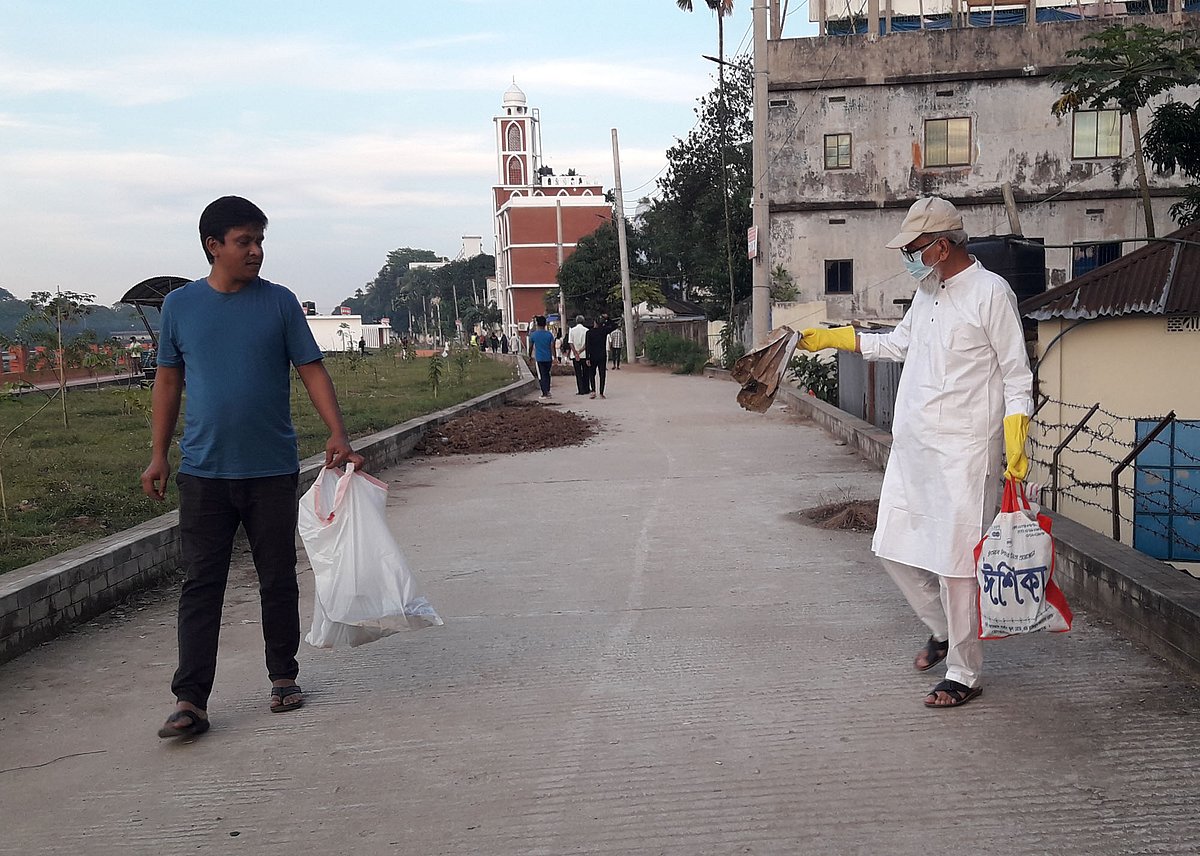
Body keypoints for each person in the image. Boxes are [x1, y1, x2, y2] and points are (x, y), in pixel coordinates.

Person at [794, 197, 1032, 710]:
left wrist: (1017, 432)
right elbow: (898, 344)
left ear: (942, 246)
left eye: (914, 248)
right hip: (915, 449)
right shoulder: (927, 292)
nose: (908, 257)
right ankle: (943, 629)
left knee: (957, 569)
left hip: (966, 455)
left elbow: (1017, 374)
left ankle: (965, 673)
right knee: (892, 545)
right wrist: (837, 338)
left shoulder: (992, 293)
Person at [142, 196, 364, 740]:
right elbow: (168, 381)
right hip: (204, 472)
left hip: (270, 469)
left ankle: (283, 676)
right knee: (201, 584)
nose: (256, 251)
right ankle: (190, 700)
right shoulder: (180, 307)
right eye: (244, 241)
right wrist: (158, 453)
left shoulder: (279, 303)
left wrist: (337, 432)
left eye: (260, 241)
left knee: (277, 577)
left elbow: (311, 369)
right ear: (213, 246)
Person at [585, 314, 618, 399]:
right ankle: (601, 392)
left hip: (592, 356)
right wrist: (608, 318)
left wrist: (587, 358)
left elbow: (587, 346)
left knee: (592, 374)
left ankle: (593, 391)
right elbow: (615, 326)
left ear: (594, 323)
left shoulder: (589, 332)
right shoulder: (603, 331)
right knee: (602, 374)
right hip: (602, 355)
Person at [528, 315, 555, 398]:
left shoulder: (533, 335)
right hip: (548, 358)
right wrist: (555, 357)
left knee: (541, 376)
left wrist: (529, 356)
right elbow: (552, 347)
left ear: (537, 323)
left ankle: (544, 393)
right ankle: (548, 391)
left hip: (539, 358)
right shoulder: (549, 335)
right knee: (547, 374)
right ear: (545, 324)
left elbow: (530, 347)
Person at [568, 314, 590, 395]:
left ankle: (580, 390)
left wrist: (575, 353)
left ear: (576, 321)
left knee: (578, 373)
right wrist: (580, 351)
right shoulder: (587, 330)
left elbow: (570, 342)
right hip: (584, 354)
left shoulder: (572, 330)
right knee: (586, 372)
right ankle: (586, 388)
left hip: (575, 355)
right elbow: (587, 344)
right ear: (583, 321)